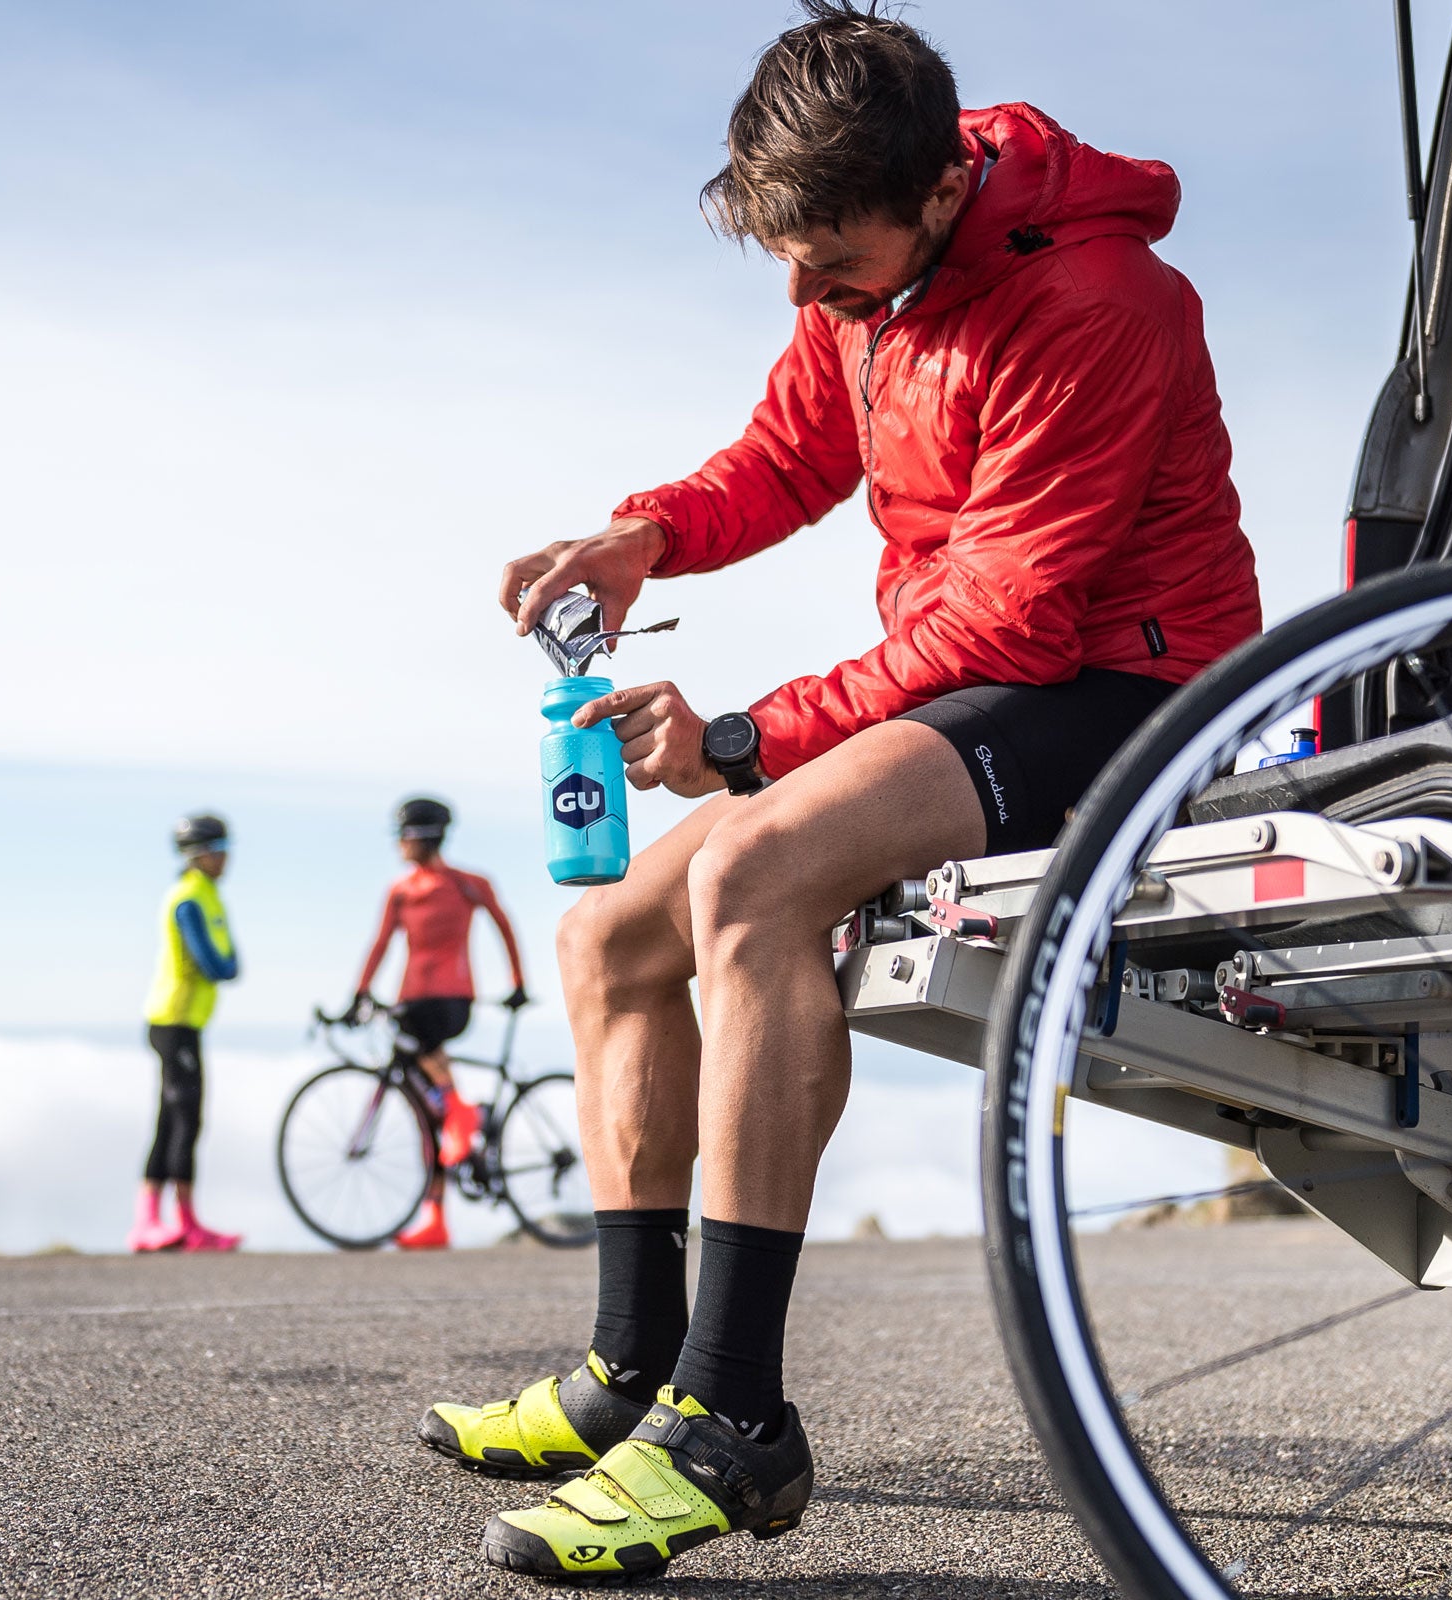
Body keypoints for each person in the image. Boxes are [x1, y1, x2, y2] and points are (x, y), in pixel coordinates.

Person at [419, 1, 1265, 1582]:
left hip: (1134, 691)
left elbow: (1015, 621)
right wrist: (646, 534)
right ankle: (628, 1375)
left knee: (756, 875)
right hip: (979, 672)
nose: (810, 296)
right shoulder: (861, 278)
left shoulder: (1104, 300)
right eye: (791, 269)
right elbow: (791, 455)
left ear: (942, 191)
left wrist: (744, 743)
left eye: (833, 266)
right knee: (611, 941)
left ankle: (733, 1418)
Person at [348, 796, 529, 1250]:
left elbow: (503, 925)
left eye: (401, 838)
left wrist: (518, 982)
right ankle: (436, 1216)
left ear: (418, 837)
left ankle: (462, 1114)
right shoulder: (403, 890)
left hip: (445, 1002)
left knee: (432, 1084)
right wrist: (359, 994)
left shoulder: (466, 884)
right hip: (413, 1001)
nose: (398, 847)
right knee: (428, 1115)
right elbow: (380, 944)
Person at [128, 813, 243, 1254]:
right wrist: (222, 965)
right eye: (220, 851)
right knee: (184, 1120)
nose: (226, 859)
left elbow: (231, 964)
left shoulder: (208, 894)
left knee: (173, 1118)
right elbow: (220, 964)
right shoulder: (190, 898)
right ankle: (174, 1222)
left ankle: (159, 1219)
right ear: (200, 855)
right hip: (172, 1020)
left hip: (186, 1022)